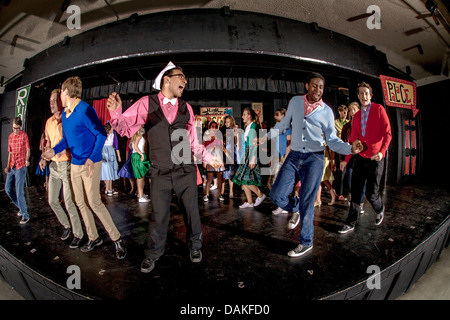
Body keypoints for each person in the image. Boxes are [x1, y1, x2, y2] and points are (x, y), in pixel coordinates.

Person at [107, 62, 222, 273]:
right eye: (181, 77)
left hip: (185, 169)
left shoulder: (186, 108)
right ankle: (153, 253)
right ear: (166, 80)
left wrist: (209, 157)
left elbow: (194, 143)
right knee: (158, 216)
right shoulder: (146, 103)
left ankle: (195, 246)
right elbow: (124, 128)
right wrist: (116, 113)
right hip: (159, 172)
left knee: (191, 213)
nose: (185, 81)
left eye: (185, 78)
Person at [256, 72, 363, 258]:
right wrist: (266, 136)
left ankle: (306, 242)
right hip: (295, 155)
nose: (318, 90)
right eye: (314, 86)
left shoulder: (327, 112)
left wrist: (350, 149)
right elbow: (283, 126)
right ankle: (294, 208)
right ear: (307, 86)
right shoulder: (295, 102)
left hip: (314, 158)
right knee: (276, 194)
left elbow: (332, 140)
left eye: (321, 87)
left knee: (308, 201)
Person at [42, 76, 127, 260]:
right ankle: (93, 237)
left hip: (90, 163)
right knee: (80, 202)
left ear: (65, 92)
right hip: (74, 164)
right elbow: (66, 139)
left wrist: (92, 158)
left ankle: (117, 239)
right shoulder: (65, 114)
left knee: (94, 202)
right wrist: (53, 151)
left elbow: (100, 133)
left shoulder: (85, 110)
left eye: (60, 94)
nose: (59, 99)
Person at [338, 82, 392, 234]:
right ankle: (350, 222)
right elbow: (353, 142)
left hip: (376, 158)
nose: (364, 96)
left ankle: (379, 208)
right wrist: (346, 160)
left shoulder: (379, 109)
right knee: (355, 191)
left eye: (366, 93)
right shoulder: (356, 117)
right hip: (360, 158)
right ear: (358, 96)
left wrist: (382, 152)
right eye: (361, 93)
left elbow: (388, 134)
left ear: (371, 95)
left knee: (371, 193)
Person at [39, 89, 84, 248]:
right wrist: (43, 158)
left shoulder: (68, 119)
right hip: (54, 167)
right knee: (52, 200)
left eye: (54, 100)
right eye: (50, 101)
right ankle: (67, 226)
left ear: (61, 100)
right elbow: (47, 143)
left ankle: (79, 234)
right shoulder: (49, 122)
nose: (51, 104)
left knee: (69, 202)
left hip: (67, 166)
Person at [232, 107, 266, 209]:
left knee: (246, 178)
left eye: (244, 114)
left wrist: (253, 158)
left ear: (249, 115)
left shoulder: (254, 126)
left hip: (251, 153)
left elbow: (254, 143)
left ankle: (260, 195)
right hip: (246, 153)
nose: (242, 116)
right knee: (243, 179)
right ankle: (250, 202)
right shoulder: (247, 127)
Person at [340, 101, 366, 213]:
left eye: (354, 109)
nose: (352, 112)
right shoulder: (346, 126)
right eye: (350, 110)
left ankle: (360, 203)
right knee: (350, 180)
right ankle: (354, 197)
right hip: (350, 155)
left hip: (361, 156)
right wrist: (342, 159)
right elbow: (343, 141)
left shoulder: (363, 123)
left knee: (361, 180)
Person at [4, 116, 31, 224]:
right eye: (14, 128)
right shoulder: (10, 137)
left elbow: (28, 149)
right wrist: (7, 166)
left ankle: (25, 215)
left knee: (19, 192)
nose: (16, 130)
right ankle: (21, 207)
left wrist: (27, 160)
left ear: (20, 127)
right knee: (8, 189)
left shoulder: (24, 135)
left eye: (17, 128)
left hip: (21, 166)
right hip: (12, 166)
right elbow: (10, 153)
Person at [203, 121, 225, 202]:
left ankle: (219, 194)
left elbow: (222, 148)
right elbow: (203, 148)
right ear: (209, 127)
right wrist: (204, 160)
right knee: (209, 178)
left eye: (216, 126)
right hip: (210, 159)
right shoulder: (206, 136)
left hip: (218, 158)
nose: (214, 128)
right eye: (212, 126)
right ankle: (206, 194)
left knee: (219, 178)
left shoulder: (219, 136)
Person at [333, 105, 349, 201]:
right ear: (339, 112)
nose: (344, 113)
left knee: (345, 172)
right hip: (338, 149)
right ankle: (339, 193)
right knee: (340, 171)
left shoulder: (348, 123)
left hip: (347, 149)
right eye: (342, 111)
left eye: (345, 111)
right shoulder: (335, 123)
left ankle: (341, 191)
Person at [221, 115, 239, 199]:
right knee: (224, 172)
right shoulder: (222, 129)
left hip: (232, 151)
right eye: (225, 122)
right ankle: (222, 190)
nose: (226, 123)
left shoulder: (233, 130)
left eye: (228, 122)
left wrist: (235, 135)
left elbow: (235, 142)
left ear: (231, 122)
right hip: (224, 151)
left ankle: (231, 190)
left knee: (230, 172)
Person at [131, 126, 151, 202]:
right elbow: (135, 147)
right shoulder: (138, 136)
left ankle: (140, 194)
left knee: (141, 176)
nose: (143, 128)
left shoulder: (138, 136)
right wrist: (141, 154)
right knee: (140, 176)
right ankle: (140, 197)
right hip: (138, 156)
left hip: (138, 155)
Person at [101, 122, 121, 196]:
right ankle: (107, 189)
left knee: (112, 170)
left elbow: (116, 146)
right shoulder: (103, 135)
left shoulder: (114, 134)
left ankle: (110, 188)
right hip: (105, 153)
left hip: (111, 152)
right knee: (107, 171)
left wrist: (118, 156)